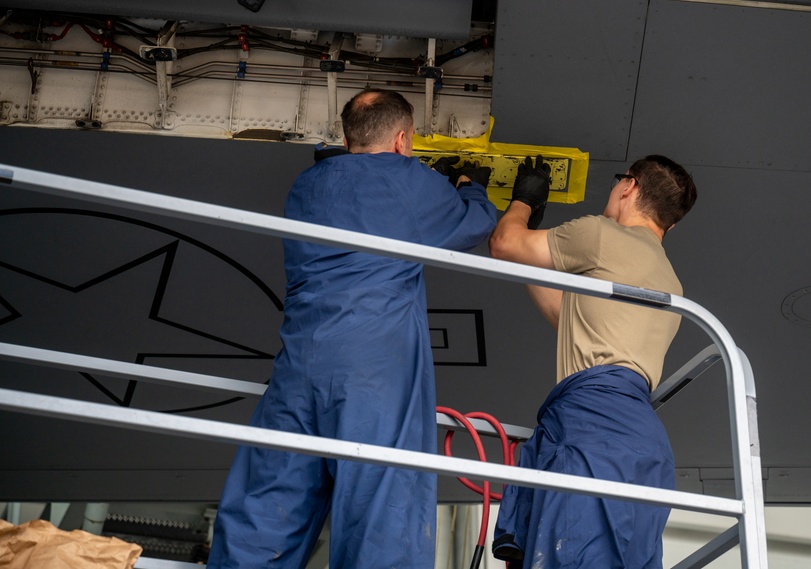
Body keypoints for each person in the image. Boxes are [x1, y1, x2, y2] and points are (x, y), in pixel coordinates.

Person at [208, 89, 497, 569]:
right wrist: (468, 184)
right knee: (380, 508)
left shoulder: (307, 186)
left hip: (301, 362)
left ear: (346, 138)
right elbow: (472, 225)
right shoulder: (407, 180)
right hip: (372, 368)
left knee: (271, 499)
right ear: (404, 139)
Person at [489, 154, 697, 569]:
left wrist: (523, 204)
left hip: (594, 426)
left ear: (629, 186)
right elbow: (569, 316)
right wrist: (526, 251)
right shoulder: (671, 285)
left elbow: (503, 245)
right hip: (644, 448)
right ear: (670, 225)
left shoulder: (600, 234)